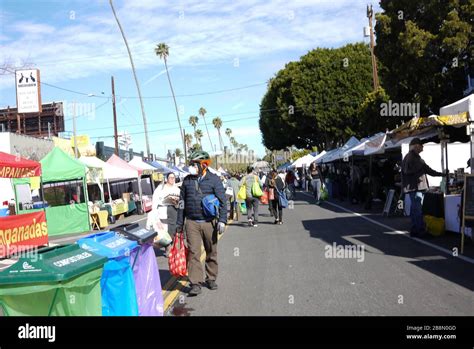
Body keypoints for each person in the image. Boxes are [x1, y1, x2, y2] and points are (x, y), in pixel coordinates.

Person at [176, 151, 227, 296]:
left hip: (209, 222)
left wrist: (222, 220)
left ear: (204, 165)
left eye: (195, 164)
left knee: (211, 251)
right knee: (193, 253)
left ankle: (210, 279)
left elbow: (223, 202)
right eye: (191, 163)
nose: (192, 167)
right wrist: (179, 225)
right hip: (191, 222)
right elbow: (181, 203)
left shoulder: (214, 180)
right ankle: (195, 283)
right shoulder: (187, 181)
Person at [402, 138, 445, 237]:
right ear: (417, 146)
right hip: (415, 188)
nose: (423, 147)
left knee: (415, 210)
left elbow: (428, 170)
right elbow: (407, 171)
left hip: (415, 188)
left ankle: (415, 230)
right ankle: (420, 230)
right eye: (421, 145)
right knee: (418, 210)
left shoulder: (414, 157)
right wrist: (420, 166)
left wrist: (442, 174)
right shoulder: (412, 157)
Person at [150, 172, 180, 257]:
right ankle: (168, 248)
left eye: (173, 177)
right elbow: (154, 203)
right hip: (163, 212)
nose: (172, 179)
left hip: (174, 212)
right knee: (165, 231)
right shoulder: (160, 189)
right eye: (170, 177)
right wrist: (156, 218)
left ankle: (174, 248)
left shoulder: (176, 189)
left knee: (173, 230)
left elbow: (180, 201)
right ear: (167, 179)